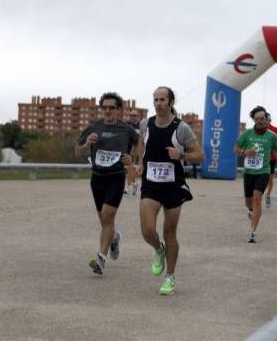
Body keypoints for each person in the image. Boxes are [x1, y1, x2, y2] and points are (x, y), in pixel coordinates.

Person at [137, 86, 204, 295]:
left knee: (169, 232)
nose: (158, 103)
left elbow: (200, 155)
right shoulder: (145, 124)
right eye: (155, 99)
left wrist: (182, 155)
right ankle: (158, 249)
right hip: (150, 183)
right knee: (148, 231)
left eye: (162, 100)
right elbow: (141, 144)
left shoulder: (181, 128)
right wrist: (140, 162)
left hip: (173, 185)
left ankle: (170, 277)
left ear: (171, 102)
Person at [74, 92, 140, 275]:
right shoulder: (93, 128)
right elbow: (77, 152)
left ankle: (101, 259)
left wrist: (133, 158)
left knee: (107, 214)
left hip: (116, 177)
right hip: (97, 178)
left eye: (112, 108)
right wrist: (86, 144)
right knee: (104, 221)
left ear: (119, 110)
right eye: (105, 107)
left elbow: (139, 143)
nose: (108, 111)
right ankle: (114, 238)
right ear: (101, 109)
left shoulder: (127, 130)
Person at [234, 106, 277, 243]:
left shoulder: (272, 136)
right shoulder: (247, 134)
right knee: (249, 202)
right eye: (257, 119)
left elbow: (276, 150)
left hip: (263, 172)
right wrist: (245, 152)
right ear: (253, 120)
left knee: (258, 198)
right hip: (249, 172)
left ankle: (253, 232)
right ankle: (251, 210)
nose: (259, 121)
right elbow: (235, 149)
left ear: (267, 120)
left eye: (262, 119)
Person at [125, 109, 141, 195]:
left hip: (137, 150)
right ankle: (133, 184)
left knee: (130, 168)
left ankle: (128, 186)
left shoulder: (140, 126)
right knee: (129, 168)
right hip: (126, 149)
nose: (132, 117)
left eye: (134, 115)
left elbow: (141, 140)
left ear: (137, 117)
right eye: (131, 115)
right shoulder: (126, 125)